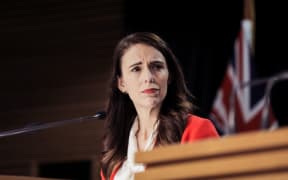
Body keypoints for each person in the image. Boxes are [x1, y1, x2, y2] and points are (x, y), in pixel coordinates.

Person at [100, 32, 219, 180]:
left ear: (169, 76)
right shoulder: (113, 157)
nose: (148, 77)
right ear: (122, 84)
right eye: (136, 69)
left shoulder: (195, 129)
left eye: (157, 66)